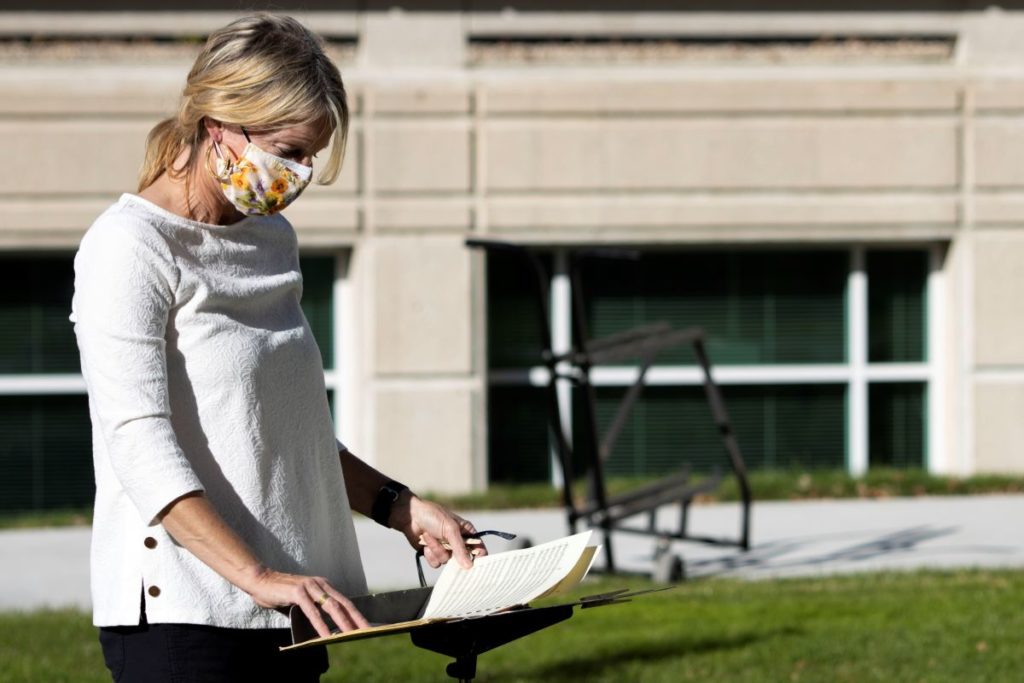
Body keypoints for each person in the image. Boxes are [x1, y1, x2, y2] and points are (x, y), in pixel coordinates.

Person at [70, 14, 485, 683]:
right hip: (185, 618)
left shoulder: (271, 238)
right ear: (219, 127)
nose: (299, 174)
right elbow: (138, 442)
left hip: (288, 607)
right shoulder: (129, 248)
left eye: (311, 157)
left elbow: (291, 433)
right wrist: (257, 576)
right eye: (289, 150)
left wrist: (402, 508)